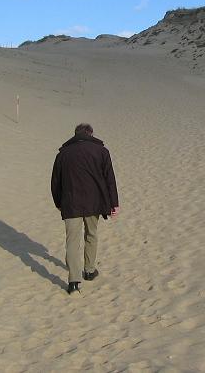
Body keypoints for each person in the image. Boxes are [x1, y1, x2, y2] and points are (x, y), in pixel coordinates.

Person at [51, 123, 119, 294]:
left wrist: (58, 203)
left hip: (70, 203)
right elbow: (110, 178)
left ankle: (73, 281)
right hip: (94, 203)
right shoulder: (102, 151)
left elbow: (55, 182)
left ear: (75, 135)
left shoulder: (63, 154)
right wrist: (114, 203)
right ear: (91, 134)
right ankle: (89, 270)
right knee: (91, 235)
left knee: (72, 241)